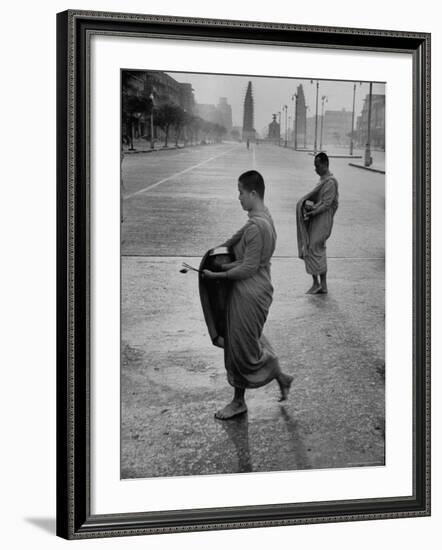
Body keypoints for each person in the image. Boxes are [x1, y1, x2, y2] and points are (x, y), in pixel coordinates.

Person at [203, 170, 293, 420]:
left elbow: (247, 268)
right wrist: (216, 256)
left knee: (242, 350)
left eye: (241, 192)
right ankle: (277, 380)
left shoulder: (257, 226)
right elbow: (236, 242)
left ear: (253, 193)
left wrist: (217, 275)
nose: (238, 197)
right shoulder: (262, 218)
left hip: (250, 293)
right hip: (254, 289)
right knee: (239, 343)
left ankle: (245, 396)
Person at [296, 152, 339, 294]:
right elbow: (319, 201)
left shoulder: (330, 182)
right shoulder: (322, 180)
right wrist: (308, 206)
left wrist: (313, 211)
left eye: (318, 165)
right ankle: (320, 284)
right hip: (316, 219)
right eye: (314, 166)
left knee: (315, 247)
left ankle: (318, 284)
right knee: (311, 247)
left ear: (325, 164)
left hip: (323, 221)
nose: (316, 169)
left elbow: (326, 204)